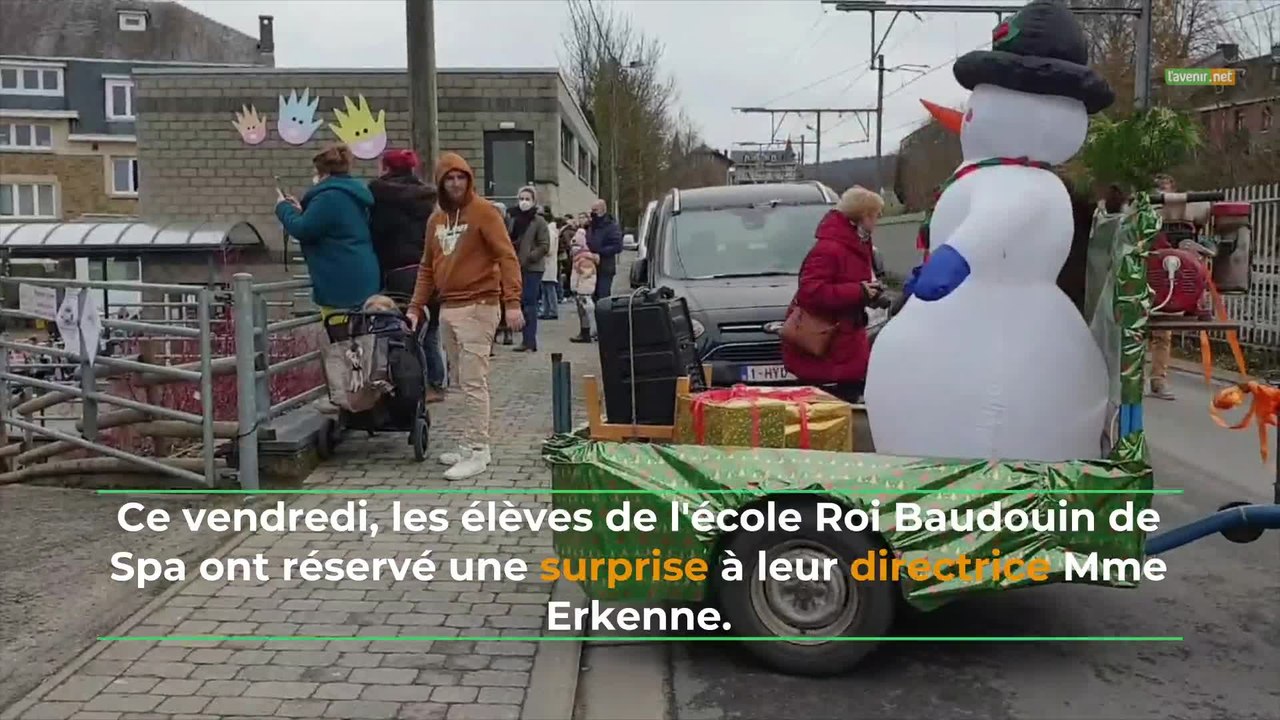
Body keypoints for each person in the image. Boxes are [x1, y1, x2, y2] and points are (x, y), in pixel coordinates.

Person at [407, 153, 524, 480]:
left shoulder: (484, 213)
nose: (456, 183)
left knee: (474, 381)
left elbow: (507, 256)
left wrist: (513, 302)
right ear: (441, 183)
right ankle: (468, 442)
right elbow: (427, 268)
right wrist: (416, 307)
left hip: (480, 305)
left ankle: (479, 449)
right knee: (460, 380)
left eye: (461, 177)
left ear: (469, 179)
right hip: (449, 308)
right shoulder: (437, 221)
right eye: (449, 178)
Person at [781, 186, 885, 403]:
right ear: (863, 215)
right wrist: (858, 291)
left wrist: (868, 295)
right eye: (876, 215)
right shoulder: (831, 249)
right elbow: (811, 291)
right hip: (829, 344)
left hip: (845, 342)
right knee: (831, 408)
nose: (877, 221)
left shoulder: (856, 244)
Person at [368, 148, 446, 402]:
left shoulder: (382, 198)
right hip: (430, 270)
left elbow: (377, 235)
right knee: (430, 330)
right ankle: (436, 381)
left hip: (399, 270)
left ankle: (412, 383)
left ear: (387, 168)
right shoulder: (426, 198)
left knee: (403, 331)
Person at [275, 144, 380, 315]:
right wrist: (301, 212)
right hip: (361, 276)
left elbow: (303, 229)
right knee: (361, 336)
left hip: (340, 282)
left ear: (323, 173)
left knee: (343, 338)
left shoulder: (329, 196)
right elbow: (330, 223)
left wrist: (283, 208)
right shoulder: (351, 192)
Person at [508, 186, 551, 352]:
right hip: (516, 266)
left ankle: (529, 340)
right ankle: (524, 338)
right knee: (520, 302)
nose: (524, 202)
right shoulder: (513, 218)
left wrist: (530, 257)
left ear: (534, 201)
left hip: (533, 268)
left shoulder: (539, 221)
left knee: (529, 303)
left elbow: (544, 245)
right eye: (521, 198)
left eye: (527, 199)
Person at [1149, 174, 1176, 400]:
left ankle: (1158, 380)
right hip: (1143, 275)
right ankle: (1131, 379)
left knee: (1163, 332)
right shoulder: (1141, 214)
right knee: (1135, 332)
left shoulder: (1177, 217)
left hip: (1165, 279)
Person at [586, 199, 624, 301]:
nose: (592, 213)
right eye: (592, 210)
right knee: (592, 297)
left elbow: (617, 246)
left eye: (595, 210)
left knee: (603, 296)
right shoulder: (591, 226)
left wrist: (600, 253)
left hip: (605, 267)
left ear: (602, 210)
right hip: (590, 267)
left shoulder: (611, 226)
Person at [569, 231, 599, 342]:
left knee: (586, 311)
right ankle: (586, 332)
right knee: (583, 312)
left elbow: (586, 275)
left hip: (584, 290)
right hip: (581, 289)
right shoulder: (578, 258)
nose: (574, 249)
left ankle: (591, 332)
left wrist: (581, 290)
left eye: (576, 246)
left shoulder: (584, 259)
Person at [539, 208, 561, 320]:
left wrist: (539, 251)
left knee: (549, 288)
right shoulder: (549, 231)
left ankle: (552, 310)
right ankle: (546, 310)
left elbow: (550, 249)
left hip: (548, 264)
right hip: (546, 264)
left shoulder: (550, 232)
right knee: (545, 289)